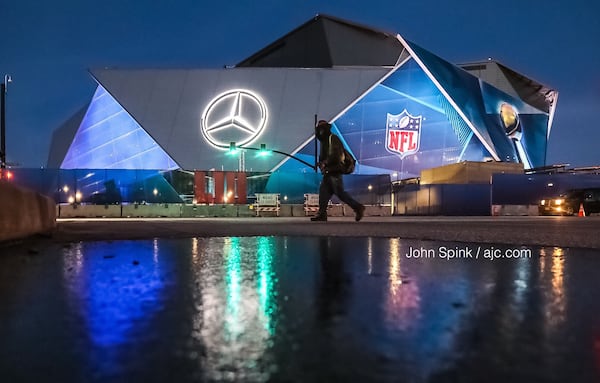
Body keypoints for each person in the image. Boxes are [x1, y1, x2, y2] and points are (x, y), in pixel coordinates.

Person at [311, 120, 365, 222]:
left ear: (325, 129)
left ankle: (358, 207)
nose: (320, 131)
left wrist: (325, 163)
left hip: (334, 171)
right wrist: (322, 164)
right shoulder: (325, 141)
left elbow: (336, 155)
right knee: (323, 192)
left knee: (340, 193)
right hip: (329, 171)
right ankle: (322, 214)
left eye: (322, 128)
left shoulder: (332, 138)